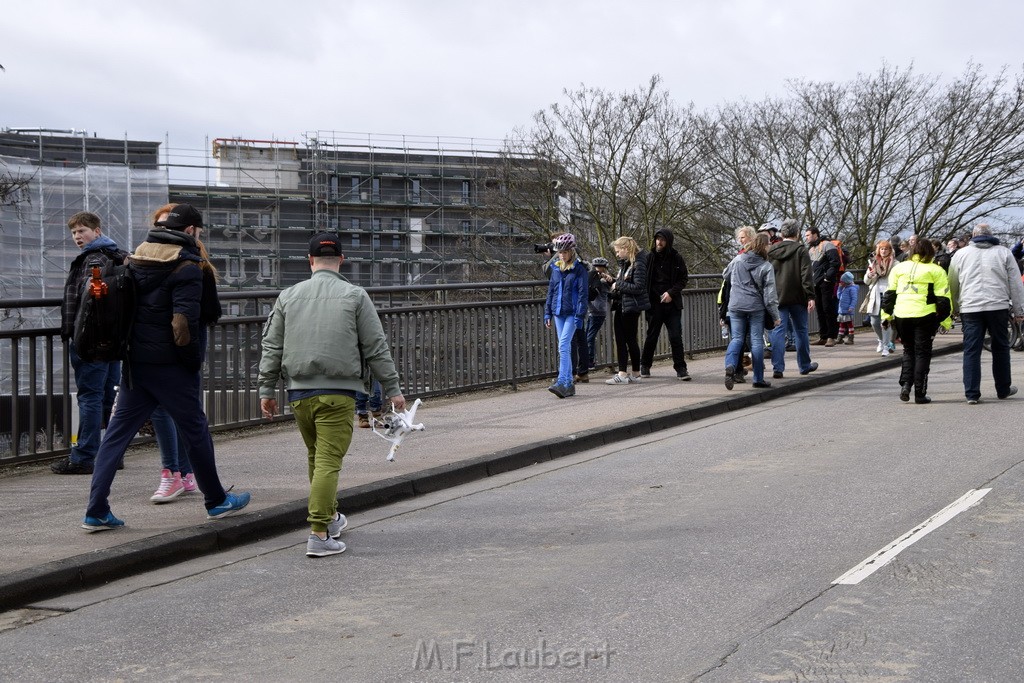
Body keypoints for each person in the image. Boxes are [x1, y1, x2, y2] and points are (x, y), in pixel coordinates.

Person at [82, 203, 251, 531]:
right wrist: (190, 365)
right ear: (190, 231)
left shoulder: (134, 259)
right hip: (172, 367)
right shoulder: (186, 266)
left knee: (116, 435)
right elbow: (182, 323)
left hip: (136, 364)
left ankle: (96, 509)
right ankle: (216, 501)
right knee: (195, 431)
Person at [259, 232, 405, 557]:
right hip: (338, 392)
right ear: (341, 260)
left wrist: (266, 389)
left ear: (310, 261)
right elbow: (375, 347)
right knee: (328, 460)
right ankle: (319, 533)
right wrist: (392, 389)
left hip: (299, 392)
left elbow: (272, 346)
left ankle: (333, 518)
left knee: (316, 456)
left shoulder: (288, 296)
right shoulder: (355, 295)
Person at [145, 202, 221, 502]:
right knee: (172, 411)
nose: (165, 231)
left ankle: (176, 474)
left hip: (179, 344)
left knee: (173, 410)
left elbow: (207, 310)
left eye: (169, 225)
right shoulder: (161, 256)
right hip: (161, 342)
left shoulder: (192, 261)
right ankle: (182, 473)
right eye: (161, 225)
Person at [51, 212, 126, 475]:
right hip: (112, 339)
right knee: (107, 396)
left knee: (90, 396)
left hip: (90, 339)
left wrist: (74, 331)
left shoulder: (93, 260)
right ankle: (112, 454)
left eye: (82, 231)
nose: (77, 237)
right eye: (74, 233)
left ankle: (83, 456)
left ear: (97, 230)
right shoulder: (117, 255)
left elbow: (89, 300)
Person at [948, 223, 1024, 404]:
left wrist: (954, 306)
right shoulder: (1003, 252)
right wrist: (1019, 310)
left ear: (973, 235)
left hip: (970, 307)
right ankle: (1003, 388)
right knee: (1001, 347)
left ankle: (972, 393)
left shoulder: (960, 254)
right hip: (997, 306)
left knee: (971, 350)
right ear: (991, 235)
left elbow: (952, 282)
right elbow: (1015, 283)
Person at [882, 236, 952, 404]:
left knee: (908, 350)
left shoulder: (900, 269)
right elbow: (943, 299)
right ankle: (920, 393)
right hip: (925, 315)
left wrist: (886, 316)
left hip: (902, 314)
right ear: (930, 252)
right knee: (922, 353)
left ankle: (906, 385)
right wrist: (944, 321)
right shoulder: (936, 270)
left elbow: (889, 294)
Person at [723, 228, 780, 389]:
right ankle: (758, 379)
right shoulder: (766, 266)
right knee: (756, 341)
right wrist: (775, 316)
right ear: (764, 247)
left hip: (735, 305)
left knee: (737, 339)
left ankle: (730, 365)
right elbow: (770, 295)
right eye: (768, 245)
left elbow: (725, 274)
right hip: (755, 307)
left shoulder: (738, 259)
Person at [767, 219, 818, 379]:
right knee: (801, 331)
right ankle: (804, 365)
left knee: (778, 332)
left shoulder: (771, 251)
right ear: (797, 233)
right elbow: (806, 274)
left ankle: (778, 368)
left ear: (782, 233)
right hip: (798, 296)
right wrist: (810, 295)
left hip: (777, 296)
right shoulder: (801, 250)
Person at [639, 228, 691, 381]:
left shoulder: (676, 258)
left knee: (675, 336)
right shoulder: (650, 258)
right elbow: (642, 279)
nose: (659, 242)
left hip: (672, 303)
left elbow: (683, 279)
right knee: (652, 336)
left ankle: (681, 368)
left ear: (668, 241)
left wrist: (671, 293)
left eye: (662, 239)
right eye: (657, 239)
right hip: (654, 304)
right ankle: (645, 365)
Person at [543, 233, 588, 398]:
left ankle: (562, 381)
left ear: (571, 251)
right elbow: (551, 292)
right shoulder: (555, 268)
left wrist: (580, 315)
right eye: (560, 252)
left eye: (565, 252)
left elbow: (583, 294)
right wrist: (547, 312)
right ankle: (568, 383)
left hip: (572, 313)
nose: (562, 254)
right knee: (565, 347)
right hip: (558, 312)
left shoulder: (579, 269)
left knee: (563, 345)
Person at [605, 236, 650, 385]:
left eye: (618, 251)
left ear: (626, 249)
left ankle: (623, 373)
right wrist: (612, 281)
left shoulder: (638, 263)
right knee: (630, 339)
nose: (617, 254)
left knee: (623, 339)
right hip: (625, 304)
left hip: (629, 306)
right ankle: (635, 373)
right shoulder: (629, 263)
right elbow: (626, 282)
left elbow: (638, 287)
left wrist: (617, 285)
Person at [859, 239, 896, 357]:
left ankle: (886, 346)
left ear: (890, 250)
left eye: (886, 249)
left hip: (889, 295)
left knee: (885, 321)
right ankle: (881, 340)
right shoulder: (873, 263)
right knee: (874, 322)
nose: (884, 251)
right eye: (881, 249)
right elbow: (866, 281)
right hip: (876, 295)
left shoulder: (896, 264)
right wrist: (870, 275)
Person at [805, 226, 841, 346]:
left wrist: (827, 277)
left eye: (808, 235)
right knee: (819, 309)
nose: (806, 238)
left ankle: (831, 336)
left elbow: (835, 262)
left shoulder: (827, 245)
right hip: (815, 282)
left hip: (825, 282)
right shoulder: (811, 249)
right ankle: (823, 336)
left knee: (828, 308)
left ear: (815, 235)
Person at [586, 256, 612, 371]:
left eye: (600, 267)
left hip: (598, 312)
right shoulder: (596, 278)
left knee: (589, 337)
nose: (598, 269)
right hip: (592, 311)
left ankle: (590, 361)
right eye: (596, 267)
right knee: (587, 335)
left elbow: (600, 287)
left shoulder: (603, 281)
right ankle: (587, 360)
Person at [835, 271, 860, 344]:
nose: (840, 283)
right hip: (842, 310)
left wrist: (851, 306)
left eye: (842, 281)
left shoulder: (852, 289)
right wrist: (839, 289)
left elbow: (854, 299)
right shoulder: (843, 288)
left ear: (846, 282)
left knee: (849, 324)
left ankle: (851, 338)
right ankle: (840, 338)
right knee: (842, 324)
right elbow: (839, 297)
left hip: (848, 310)